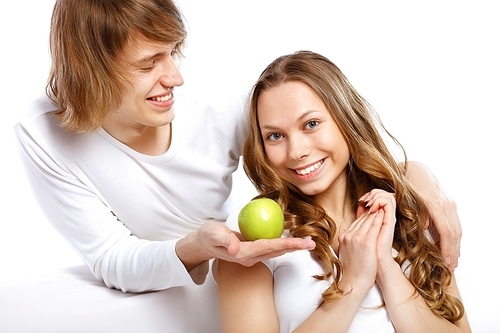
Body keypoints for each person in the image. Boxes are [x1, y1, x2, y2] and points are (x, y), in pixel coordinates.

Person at [14, 0, 459, 321]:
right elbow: (110, 257)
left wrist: (416, 180)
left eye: (172, 52)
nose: (175, 77)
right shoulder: (43, 133)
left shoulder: (220, 104)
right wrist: (196, 247)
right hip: (180, 283)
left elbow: (334, 137)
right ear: (95, 70)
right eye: (149, 63)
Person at [217, 51, 471, 332]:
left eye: (311, 124)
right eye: (275, 136)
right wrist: (352, 283)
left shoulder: (409, 209)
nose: (297, 151)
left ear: (345, 119)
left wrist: (384, 265)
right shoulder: (252, 240)